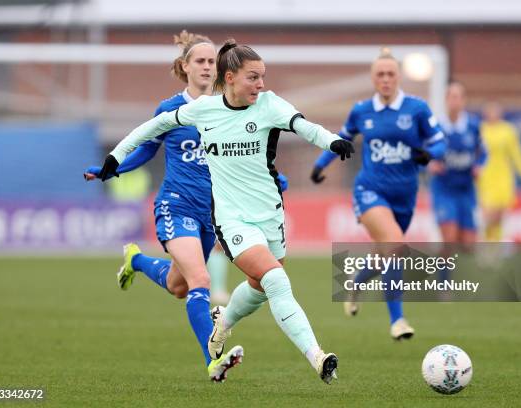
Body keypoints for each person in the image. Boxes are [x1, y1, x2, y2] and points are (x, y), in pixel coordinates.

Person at [96, 39, 355, 384]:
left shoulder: (269, 104)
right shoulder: (203, 110)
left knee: (257, 287)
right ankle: (317, 357)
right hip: (230, 219)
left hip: (270, 216)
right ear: (230, 77)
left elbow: (302, 125)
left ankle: (223, 324)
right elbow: (152, 127)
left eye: (262, 77)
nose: (260, 84)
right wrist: (116, 157)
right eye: (253, 78)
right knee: (274, 279)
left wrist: (332, 140)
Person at [85, 30, 245, 382]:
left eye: (211, 62)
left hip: (210, 216)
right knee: (201, 279)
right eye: (199, 61)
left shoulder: (228, 108)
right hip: (176, 207)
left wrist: (272, 177)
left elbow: (243, 157)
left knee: (180, 286)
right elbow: (144, 147)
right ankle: (213, 360)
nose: (206, 66)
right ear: (185, 67)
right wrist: (111, 170)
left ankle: (135, 260)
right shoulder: (170, 109)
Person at [310, 49, 446, 340]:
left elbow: (439, 143)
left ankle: (355, 284)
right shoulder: (361, 111)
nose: (385, 79)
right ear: (373, 79)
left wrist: (429, 154)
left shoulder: (417, 109)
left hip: (405, 196)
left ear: (398, 77)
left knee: (384, 255)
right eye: (380, 75)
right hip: (369, 190)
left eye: (390, 74)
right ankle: (397, 321)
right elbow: (342, 138)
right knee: (395, 245)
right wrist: (320, 165)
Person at [428, 82, 486, 245]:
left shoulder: (473, 126)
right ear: (446, 100)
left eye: (459, 97)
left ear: (464, 101)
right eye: (452, 97)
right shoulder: (436, 128)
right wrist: (430, 164)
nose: (456, 101)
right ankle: (442, 268)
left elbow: (483, 152)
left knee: (469, 244)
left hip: (466, 189)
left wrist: (479, 166)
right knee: (450, 237)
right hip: (444, 188)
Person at [477, 101, 521, 242]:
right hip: (485, 176)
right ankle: (485, 240)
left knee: (500, 214)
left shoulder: (508, 131)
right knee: (489, 212)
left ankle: (496, 244)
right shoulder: (479, 130)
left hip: (503, 177)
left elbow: (516, 154)